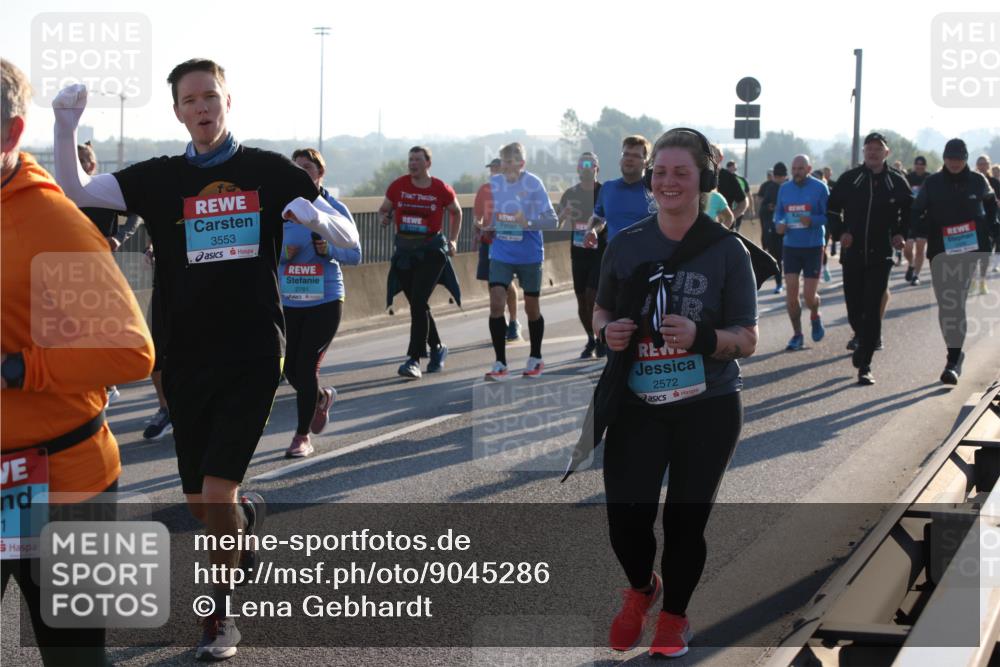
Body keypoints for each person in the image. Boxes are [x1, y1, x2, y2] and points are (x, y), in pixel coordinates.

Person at [51, 59, 360, 661]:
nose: (201, 107)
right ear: (177, 112)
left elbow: (348, 241)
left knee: (214, 495)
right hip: (185, 359)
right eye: (190, 99)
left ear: (227, 102)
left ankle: (219, 617)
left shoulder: (269, 172)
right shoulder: (160, 178)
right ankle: (244, 520)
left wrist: (316, 216)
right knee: (202, 503)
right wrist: (66, 125)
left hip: (252, 352)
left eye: (210, 96)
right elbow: (78, 191)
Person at [2, 57, 155, 667]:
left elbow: (129, 350)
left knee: (73, 657)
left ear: (12, 133)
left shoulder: (54, 226)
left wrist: (18, 369)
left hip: (64, 483)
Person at [593, 127, 757, 658]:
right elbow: (601, 307)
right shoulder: (626, 244)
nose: (668, 182)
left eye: (681, 172)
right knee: (626, 520)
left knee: (685, 522)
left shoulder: (727, 250)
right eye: (660, 172)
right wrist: (608, 330)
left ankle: (674, 618)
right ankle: (643, 588)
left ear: (703, 179)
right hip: (637, 403)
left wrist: (702, 338)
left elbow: (747, 338)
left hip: (708, 406)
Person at [282, 148, 362, 457]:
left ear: (320, 174)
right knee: (290, 370)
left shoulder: (333, 208)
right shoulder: (283, 208)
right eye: (296, 168)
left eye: (307, 168)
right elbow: (264, 251)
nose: (301, 173)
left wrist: (330, 250)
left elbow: (355, 254)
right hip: (290, 299)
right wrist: (282, 255)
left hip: (325, 299)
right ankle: (320, 398)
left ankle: (302, 437)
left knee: (306, 367)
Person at [910, 138, 998, 384]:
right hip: (940, 251)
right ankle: (954, 353)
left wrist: (992, 229)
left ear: (965, 159)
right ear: (944, 158)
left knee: (956, 302)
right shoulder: (933, 183)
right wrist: (916, 232)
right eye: (950, 158)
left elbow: (992, 206)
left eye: (959, 158)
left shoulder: (978, 181)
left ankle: (953, 359)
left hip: (969, 251)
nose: (954, 163)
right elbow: (917, 210)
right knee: (945, 306)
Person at [827, 132, 912, 385]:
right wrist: (840, 232)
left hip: (881, 254)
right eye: (869, 149)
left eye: (878, 148)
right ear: (864, 152)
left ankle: (865, 364)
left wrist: (900, 233)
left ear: (887, 153)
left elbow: (909, 209)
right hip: (852, 253)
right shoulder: (851, 179)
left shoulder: (896, 181)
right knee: (855, 309)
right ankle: (864, 342)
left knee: (873, 307)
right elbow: (832, 208)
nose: (873, 152)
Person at [380, 146, 462, 380]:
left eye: (417, 159)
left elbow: (456, 212)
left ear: (428, 163)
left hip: (431, 253)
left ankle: (414, 359)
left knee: (417, 302)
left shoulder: (440, 188)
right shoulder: (398, 186)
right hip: (404, 253)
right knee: (419, 305)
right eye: (410, 159)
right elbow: (384, 209)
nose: (412, 163)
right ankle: (437, 347)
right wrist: (384, 218)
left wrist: (453, 240)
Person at [484, 142, 558, 380]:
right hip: (501, 253)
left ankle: (536, 357)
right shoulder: (494, 183)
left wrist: (529, 223)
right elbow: (492, 215)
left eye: (509, 162)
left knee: (531, 308)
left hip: (529, 254)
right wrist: (487, 226)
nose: (504, 166)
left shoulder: (534, 184)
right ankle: (500, 363)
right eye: (502, 162)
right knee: (496, 303)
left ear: (521, 163)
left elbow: (552, 220)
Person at [775, 154, 828, 350]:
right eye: (794, 169)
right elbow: (779, 213)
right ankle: (797, 334)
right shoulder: (784, 188)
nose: (796, 172)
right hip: (791, 246)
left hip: (813, 246)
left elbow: (829, 215)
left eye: (800, 169)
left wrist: (812, 220)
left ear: (809, 169)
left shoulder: (820, 188)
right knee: (791, 294)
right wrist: (779, 224)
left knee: (809, 296)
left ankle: (815, 314)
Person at [558, 151, 606, 358]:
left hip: (600, 253)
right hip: (578, 253)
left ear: (597, 169)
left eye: (590, 165)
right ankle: (591, 339)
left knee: (592, 297)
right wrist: (563, 215)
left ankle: (601, 339)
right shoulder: (570, 193)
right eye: (582, 165)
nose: (586, 168)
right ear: (578, 169)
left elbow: (605, 219)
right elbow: (556, 221)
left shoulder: (604, 192)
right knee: (581, 301)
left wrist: (594, 230)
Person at [474, 158, 521, 341]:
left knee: (507, 283)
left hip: (507, 242)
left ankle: (514, 321)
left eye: (496, 168)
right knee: (493, 284)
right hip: (488, 242)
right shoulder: (484, 190)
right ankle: (500, 320)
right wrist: (479, 227)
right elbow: (477, 217)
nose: (493, 172)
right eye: (491, 169)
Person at [583, 135, 655, 246]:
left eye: (636, 156)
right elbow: (598, 218)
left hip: (647, 255)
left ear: (646, 162)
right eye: (626, 154)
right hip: (613, 255)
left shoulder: (655, 191)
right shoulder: (607, 188)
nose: (629, 159)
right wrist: (591, 230)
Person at [758, 162, 786, 293]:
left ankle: (792, 279)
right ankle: (779, 283)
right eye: (776, 176)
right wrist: (769, 208)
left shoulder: (790, 187)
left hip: (790, 229)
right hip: (774, 229)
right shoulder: (770, 188)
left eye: (781, 176)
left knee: (787, 257)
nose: (778, 179)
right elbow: (762, 208)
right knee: (776, 257)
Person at [974, 154, 1000, 289]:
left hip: (990, 220)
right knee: (972, 253)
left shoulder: (994, 182)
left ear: (989, 165)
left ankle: (982, 281)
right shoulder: (972, 180)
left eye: (984, 164)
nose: (982, 166)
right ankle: (973, 280)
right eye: (980, 164)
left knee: (985, 252)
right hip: (973, 221)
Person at [904, 156, 930, 286]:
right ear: (914, 165)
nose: (919, 166)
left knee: (920, 247)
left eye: (922, 164)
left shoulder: (930, 178)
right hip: (910, 216)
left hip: (924, 217)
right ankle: (911, 264)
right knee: (907, 248)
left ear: (925, 166)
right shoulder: (908, 178)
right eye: (917, 164)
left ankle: (916, 275)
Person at [725, 160, 752, 231]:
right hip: (727, 208)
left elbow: (748, 195)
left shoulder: (742, 180)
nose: (732, 169)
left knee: (734, 228)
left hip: (738, 208)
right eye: (731, 167)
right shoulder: (723, 179)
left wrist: (751, 209)